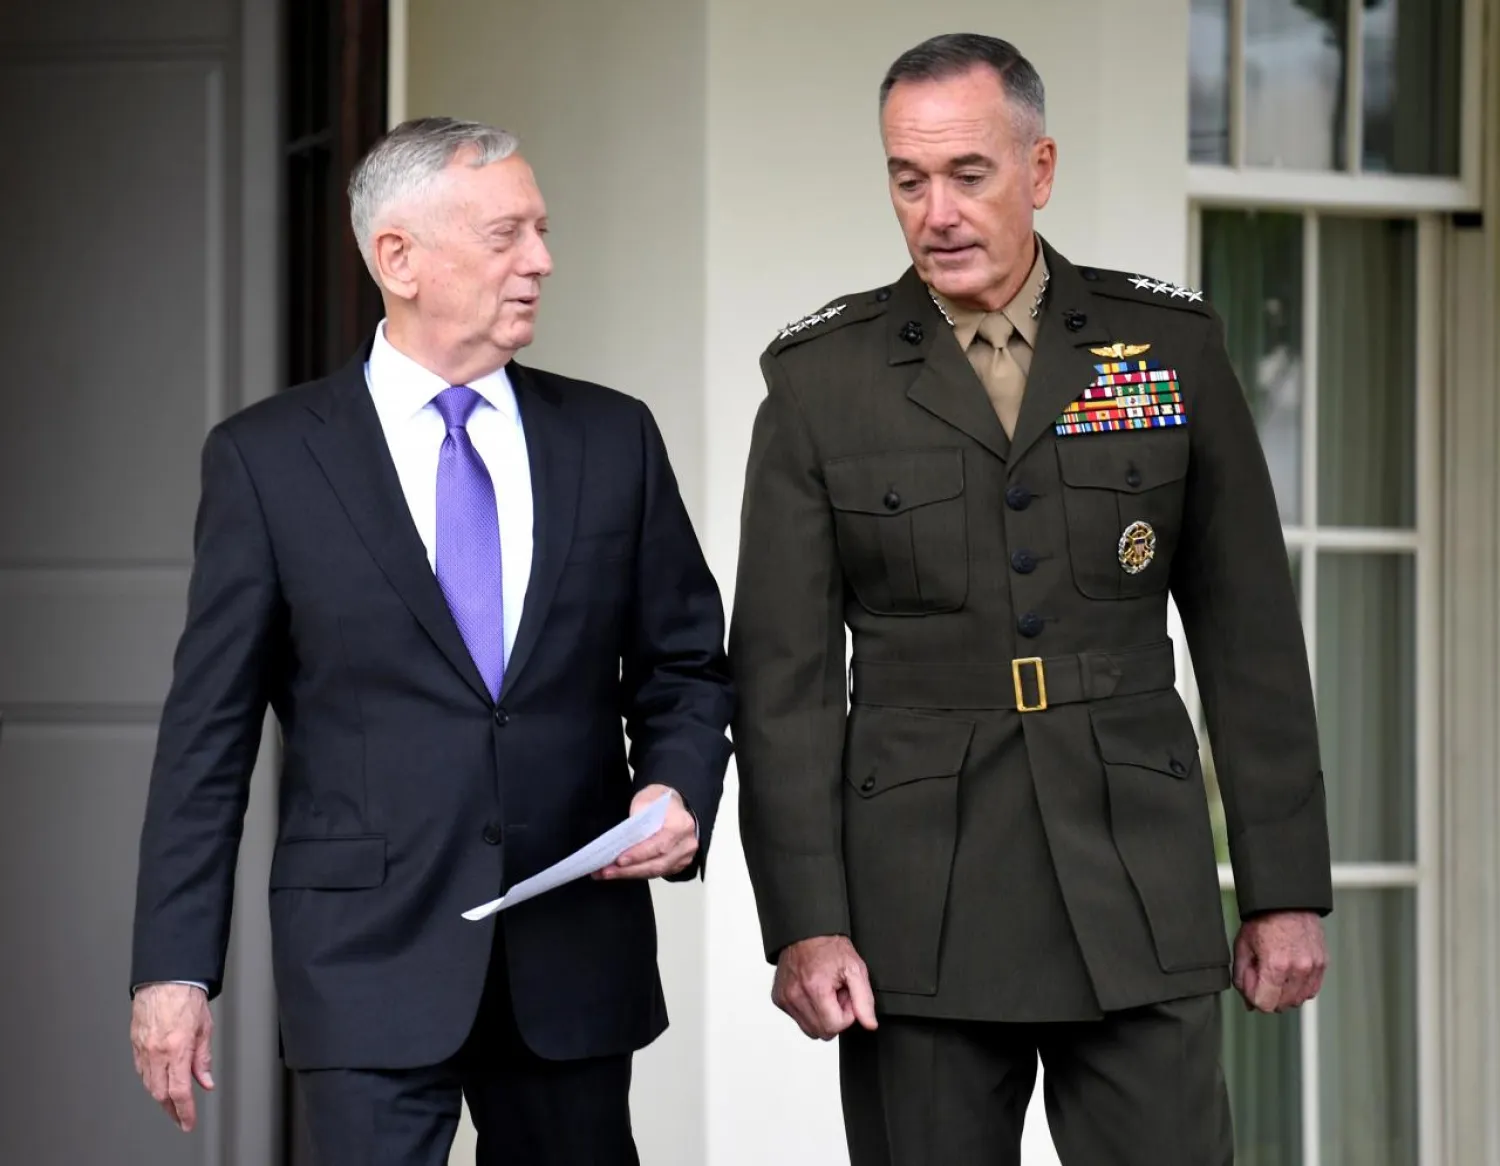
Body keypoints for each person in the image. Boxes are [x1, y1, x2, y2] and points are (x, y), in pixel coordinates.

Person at [730, 33, 1330, 1165]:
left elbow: (1250, 639)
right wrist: (807, 921)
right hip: (921, 902)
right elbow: (782, 683)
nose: (937, 210)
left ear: (1039, 168)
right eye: (909, 180)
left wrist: (1285, 886)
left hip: (1137, 877)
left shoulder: (1166, 348)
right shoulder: (820, 383)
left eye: (969, 173)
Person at [129, 117, 733, 1166]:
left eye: (541, 231)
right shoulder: (267, 461)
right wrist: (172, 970)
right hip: (365, 959)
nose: (540, 259)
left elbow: (686, 664)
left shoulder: (613, 437)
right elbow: (206, 739)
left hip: (573, 958)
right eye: (507, 234)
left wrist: (677, 788)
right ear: (397, 257)